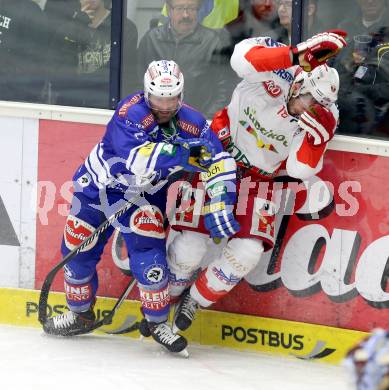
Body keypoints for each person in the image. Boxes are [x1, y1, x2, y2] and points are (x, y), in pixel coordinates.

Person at [41, 59, 237, 355]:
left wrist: (221, 197)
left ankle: (158, 322)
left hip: (144, 198)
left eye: (172, 98)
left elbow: (218, 159)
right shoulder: (129, 112)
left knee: (150, 262)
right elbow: (135, 157)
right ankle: (80, 314)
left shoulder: (193, 123)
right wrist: (181, 153)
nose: (166, 105)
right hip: (98, 189)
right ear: (147, 93)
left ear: (180, 95)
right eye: (160, 97)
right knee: (77, 251)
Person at [164, 31, 347, 334]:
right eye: (308, 100)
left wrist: (319, 137)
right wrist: (294, 55)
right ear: (300, 83)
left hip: (261, 178)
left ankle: (194, 300)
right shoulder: (281, 67)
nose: (309, 109)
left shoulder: (327, 114)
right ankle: (163, 299)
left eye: (318, 106)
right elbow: (241, 57)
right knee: (189, 248)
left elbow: (300, 168)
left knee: (248, 251)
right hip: (217, 155)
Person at [137, 0, 232, 119]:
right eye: (180, 8)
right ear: (169, 10)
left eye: (192, 9)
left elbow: (224, 91)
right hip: (156, 121)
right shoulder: (151, 39)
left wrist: (202, 121)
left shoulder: (213, 42)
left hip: (198, 123)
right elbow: (137, 83)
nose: (186, 15)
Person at [0, 0, 49, 103]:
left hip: (15, 95)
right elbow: (40, 57)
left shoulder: (30, 11)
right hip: (16, 95)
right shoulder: (30, 11)